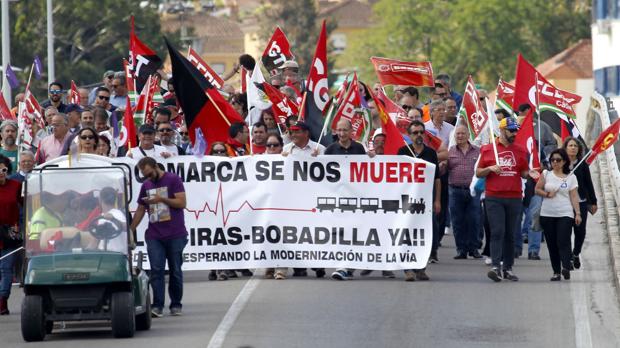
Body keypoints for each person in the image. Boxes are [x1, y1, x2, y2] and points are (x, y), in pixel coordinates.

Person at [130, 157, 188, 317]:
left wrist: (161, 199)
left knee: (175, 269)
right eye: (145, 175)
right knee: (156, 270)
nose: (148, 177)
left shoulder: (173, 179)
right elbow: (141, 208)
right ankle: (157, 305)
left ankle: (176, 304)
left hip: (175, 233)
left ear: (156, 167)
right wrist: (131, 229)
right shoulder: (146, 185)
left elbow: (182, 203)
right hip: (155, 234)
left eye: (149, 173)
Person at [476, 117, 533, 282]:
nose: (514, 133)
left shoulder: (521, 150)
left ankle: (508, 268)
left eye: (516, 130)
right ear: (501, 130)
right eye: (511, 130)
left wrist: (530, 174)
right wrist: (490, 168)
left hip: (514, 196)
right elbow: (478, 172)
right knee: (497, 231)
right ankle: (495, 266)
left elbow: (523, 172)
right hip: (494, 196)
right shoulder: (488, 149)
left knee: (510, 234)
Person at [398, 120, 441, 281]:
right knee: (406, 233)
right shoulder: (403, 152)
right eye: (415, 133)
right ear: (409, 135)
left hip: (426, 202)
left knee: (426, 234)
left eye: (421, 132)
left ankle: (421, 267)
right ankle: (407, 269)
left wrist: (437, 201)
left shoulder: (430, 153)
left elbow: (437, 179)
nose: (419, 135)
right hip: (406, 202)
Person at [535, 149, 581, 281]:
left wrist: (577, 213)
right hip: (547, 213)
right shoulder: (546, 174)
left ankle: (566, 266)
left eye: (558, 160)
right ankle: (556, 272)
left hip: (565, 213)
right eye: (553, 160)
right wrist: (547, 194)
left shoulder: (571, 177)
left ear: (564, 162)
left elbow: (574, 196)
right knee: (552, 244)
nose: (555, 162)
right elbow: (537, 189)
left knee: (563, 240)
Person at [562, 137, 597, 269]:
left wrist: (593, 201)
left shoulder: (582, 164)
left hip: (581, 201)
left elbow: (588, 183)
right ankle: (567, 260)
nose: (573, 148)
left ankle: (576, 253)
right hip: (564, 203)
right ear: (565, 148)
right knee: (564, 232)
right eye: (570, 145)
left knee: (580, 231)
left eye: (575, 146)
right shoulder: (560, 163)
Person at [448, 125, 482, 259]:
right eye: (457, 134)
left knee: (474, 220)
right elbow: (445, 170)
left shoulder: (478, 152)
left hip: (473, 191)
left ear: (468, 136)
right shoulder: (450, 151)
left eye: (462, 134)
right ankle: (461, 249)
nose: (460, 136)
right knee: (457, 221)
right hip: (455, 191)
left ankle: (474, 248)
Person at [0, 154, 22, 315]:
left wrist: (20, 226)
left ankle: (2, 301)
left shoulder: (15, 185)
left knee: (6, 268)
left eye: (3, 169)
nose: (0, 172)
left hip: (9, 233)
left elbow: (25, 207)